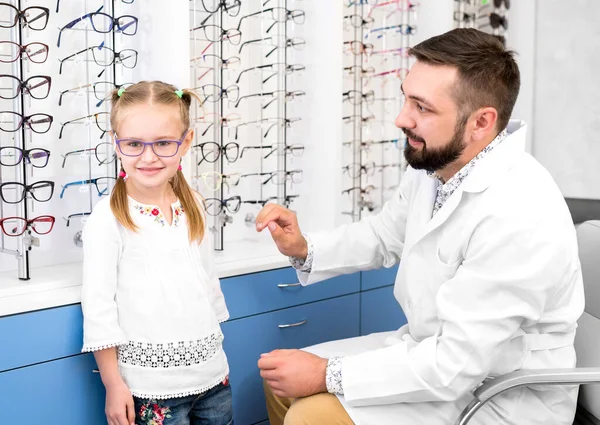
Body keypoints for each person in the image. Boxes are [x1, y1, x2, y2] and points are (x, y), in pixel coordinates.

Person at [255, 29, 584, 425]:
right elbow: (384, 234)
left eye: (422, 108)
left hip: (503, 394)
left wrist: (325, 374)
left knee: (309, 414)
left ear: (481, 122)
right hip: (436, 360)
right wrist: (304, 248)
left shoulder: (521, 211)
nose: (401, 118)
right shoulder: (440, 166)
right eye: (405, 97)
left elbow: (455, 365)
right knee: (279, 382)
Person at [81, 81, 232, 425]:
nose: (148, 157)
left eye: (163, 143)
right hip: (150, 388)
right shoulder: (108, 218)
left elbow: (207, 283)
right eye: (134, 143)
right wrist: (113, 384)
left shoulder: (193, 203)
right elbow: (99, 307)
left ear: (186, 142)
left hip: (213, 378)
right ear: (116, 143)